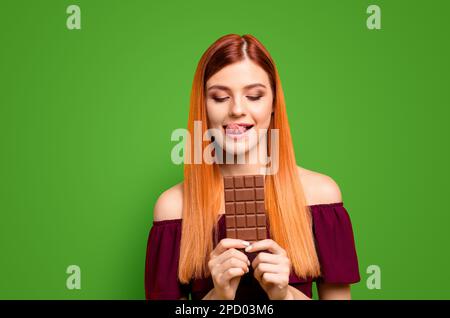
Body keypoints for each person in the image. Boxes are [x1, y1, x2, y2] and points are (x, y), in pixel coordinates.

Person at [145, 34, 360, 300]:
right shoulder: (173, 208)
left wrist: (285, 295)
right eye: (220, 97)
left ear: (273, 104)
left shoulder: (320, 196)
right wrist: (218, 297)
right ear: (203, 106)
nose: (237, 109)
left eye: (254, 96)